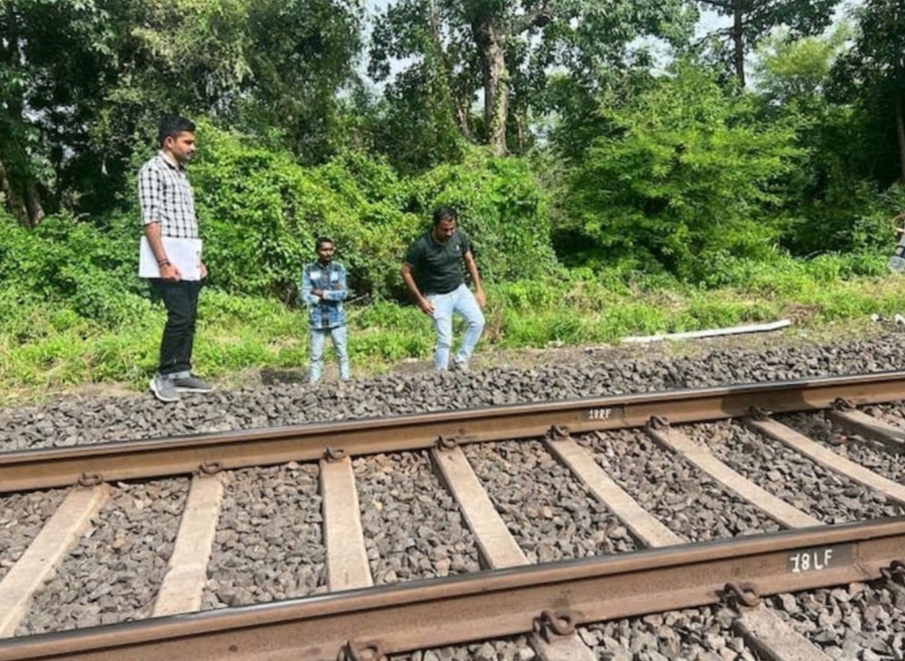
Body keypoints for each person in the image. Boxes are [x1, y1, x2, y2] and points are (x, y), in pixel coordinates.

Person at [138, 115, 213, 402]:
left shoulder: (181, 173)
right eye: (188, 142)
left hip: (188, 259)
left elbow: (187, 222)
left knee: (190, 316)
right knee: (179, 315)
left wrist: (197, 260)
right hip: (167, 260)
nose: (193, 147)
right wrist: (163, 263)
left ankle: (182, 372)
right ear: (169, 142)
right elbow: (151, 220)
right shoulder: (153, 170)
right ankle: (163, 374)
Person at [401, 206, 486, 372]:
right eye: (444, 229)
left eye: (452, 228)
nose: (449, 233)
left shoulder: (459, 236)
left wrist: (479, 289)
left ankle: (461, 359)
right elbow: (405, 271)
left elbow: (469, 261)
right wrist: (420, 300)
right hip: (437, 296)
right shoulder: (422, 245)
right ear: (435, 226)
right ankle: (440, 374)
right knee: (445, 339)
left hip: (459, 289)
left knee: (478, 322)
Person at [301, 237, 350, 383]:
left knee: (341, 352)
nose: (328, 253)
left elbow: (343, 293)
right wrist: (322, 295)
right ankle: (314, 382)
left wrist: (322, 293)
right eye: (324, 249)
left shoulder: (338, 268)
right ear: (317, 251)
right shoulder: (309, 269)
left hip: (337, 318)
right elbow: (304, 294)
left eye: (330, 249)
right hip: (317, 318)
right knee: (316, 354)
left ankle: (345, 380)